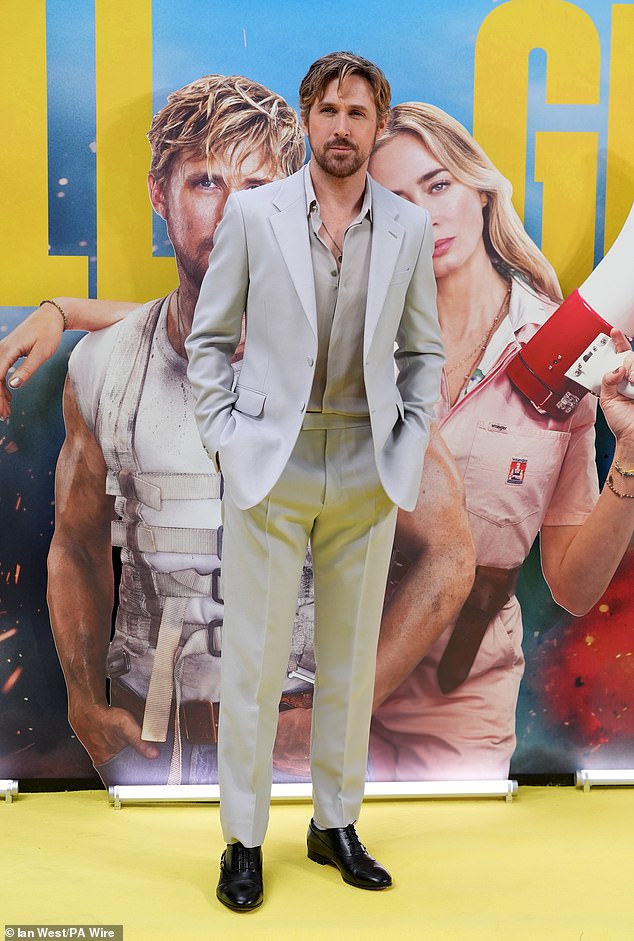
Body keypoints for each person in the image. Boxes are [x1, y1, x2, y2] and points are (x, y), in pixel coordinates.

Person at [185, 52, 444, 911]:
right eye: (328, 109)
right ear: (307, 117)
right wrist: (227, 441)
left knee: (347, 665)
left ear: (380, 126)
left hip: (366, 464)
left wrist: (404, 443)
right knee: (256, 663)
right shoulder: (254, 215)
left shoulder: (407, 227)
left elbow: (422, 353)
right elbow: (210, 339)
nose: (341, 126)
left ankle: (335, 823)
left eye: (358, 113)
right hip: (271, 462)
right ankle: (243, 838)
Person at [25, 75, 307, 789]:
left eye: (258, 187)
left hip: (301, 731)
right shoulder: (102, 364)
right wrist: (86, 703)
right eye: (206, 182)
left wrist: (359, 700)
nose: (233, 213)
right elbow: (77, 544)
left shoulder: (351, 361)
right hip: (151, 733)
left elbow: (436, 555)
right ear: (160, 194)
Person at [367, 102, 634, 781]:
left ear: (481, 190)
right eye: (395, 202)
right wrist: (65, 312)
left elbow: (573, 587)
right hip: (324, 687)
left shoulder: (565, 352)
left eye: (437, 185)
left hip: (459, 716)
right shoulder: (350, 340)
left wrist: (629, 456)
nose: (422, 217)